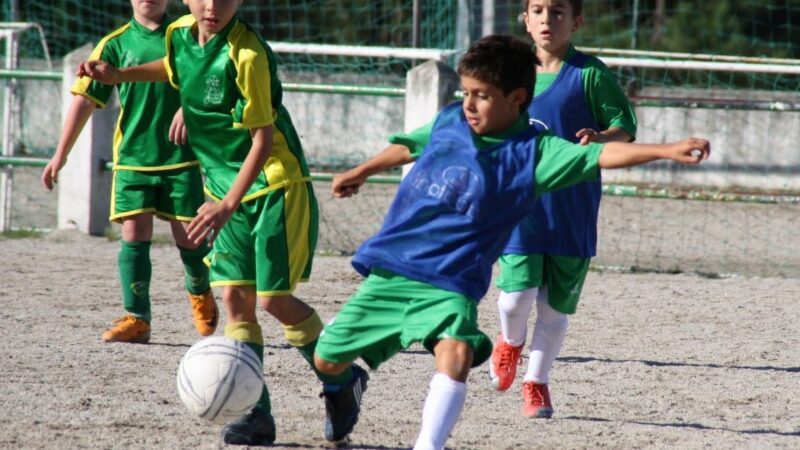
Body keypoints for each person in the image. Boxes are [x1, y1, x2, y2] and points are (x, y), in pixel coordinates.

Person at [317, 34, 709, 450]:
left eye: (482, 96)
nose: (469, 104)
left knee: (457, 356)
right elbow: (408, 146)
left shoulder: (533, 153)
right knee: (326, 358)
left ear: (518, 98)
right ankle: (345, 387)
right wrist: (362, 170)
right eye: (466, 92)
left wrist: (667, 150)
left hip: (452, 282)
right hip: (392, 269)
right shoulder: (451, 120)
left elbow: (600, 157)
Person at [77, 0, 367, 446]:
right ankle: (256, 414)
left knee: (272, 300)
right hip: (224, 190)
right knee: (234, 300)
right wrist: (120, 76)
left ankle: (342, 379)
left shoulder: (247, 53)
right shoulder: (178, 34)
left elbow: (262, 138)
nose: (213, 6)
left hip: (272, 186)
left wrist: (229, 203)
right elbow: (173, 69)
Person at [488, 0, 639, 419]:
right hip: (521, 205)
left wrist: (601, 136)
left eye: (557, 11)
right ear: (525, 19)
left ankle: (536, 383)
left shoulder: (590, 74)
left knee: (554, 308)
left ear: (576, 21)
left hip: (573, 206)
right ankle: (509, 343)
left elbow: (624, 128)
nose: (546, 19)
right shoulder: (509, 71)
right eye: (537, 10)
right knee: (515, 298)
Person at [41, 0, 217, 344]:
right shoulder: (115, 44)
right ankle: (137, 318)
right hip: (134, 159)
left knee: (189, 238)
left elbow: (210, 75)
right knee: (134, 236)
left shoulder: (185, 33)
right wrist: (59, 155)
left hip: (181, 159)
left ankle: (200, 292)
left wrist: (189, 107)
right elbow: (84, 99)